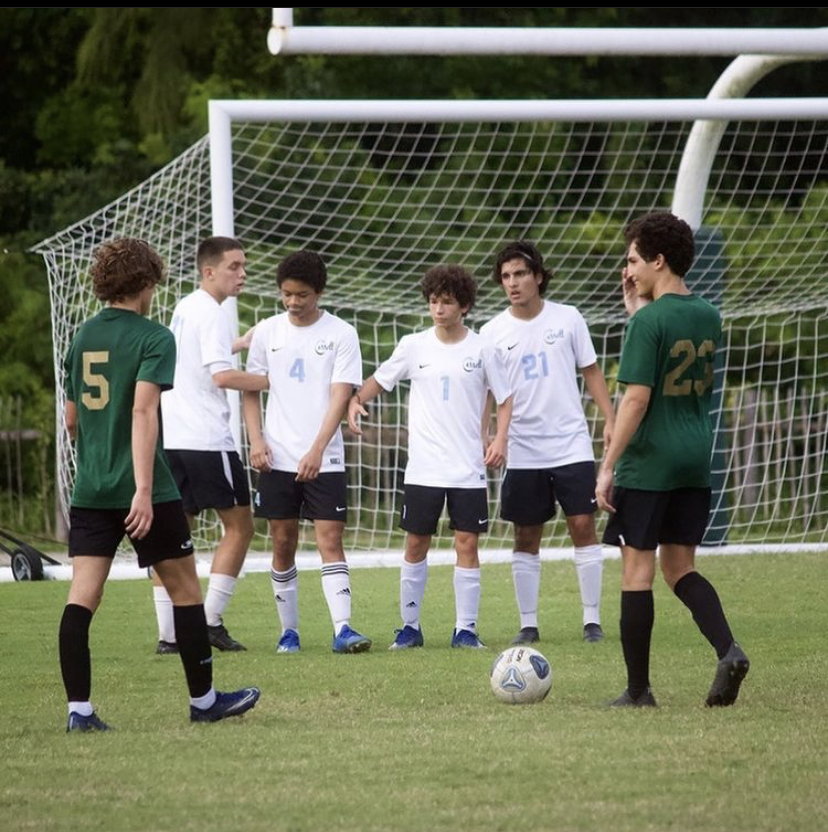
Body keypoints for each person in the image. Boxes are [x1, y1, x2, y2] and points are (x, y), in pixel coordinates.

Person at [59, 238, 259, 731]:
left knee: (82, 596)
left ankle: (79, 712)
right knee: (186, 590)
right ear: (145, 283)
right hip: (145, 490)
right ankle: (204, 701)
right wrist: (143, 491)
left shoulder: (82, 337)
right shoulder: (153, 337)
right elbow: (144, 410)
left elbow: (70, 421)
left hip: (90, 489)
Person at [596, 211, 750, 708]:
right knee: (680, 568)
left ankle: (638, 691)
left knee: (636, 573)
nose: (628, 270)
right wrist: (636, 309)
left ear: (659, 260)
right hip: (693, 455)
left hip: (651, 461)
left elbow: (636, 400)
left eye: (634, 260)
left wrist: (608, 464)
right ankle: (728, 649)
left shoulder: (649, 321)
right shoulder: (707, 313)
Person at [348, 265, 512, 650]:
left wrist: (499, 439)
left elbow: (505, 399)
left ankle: (465, 630)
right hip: (422, 468)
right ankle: (410, 628)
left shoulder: (483, 348)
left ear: (465, 306)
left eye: (447, 302)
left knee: (467, 544)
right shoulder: (413, 345)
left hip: (468, 468)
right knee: (415, 544)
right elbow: (380, 379)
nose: (438, 309)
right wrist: (356, 400)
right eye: (434, 301)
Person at [480, 241, 615, 645]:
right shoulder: (492, 332)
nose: (513, 283)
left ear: (538, 276)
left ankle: (592, 620)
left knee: (582, 525)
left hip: (570, 443)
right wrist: (485, 433)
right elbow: (489, 391)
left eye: (520, 274)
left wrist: (610, 419)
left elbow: (590, 371)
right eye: (506, 276)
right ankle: (528, 624)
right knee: (526, 535)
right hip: (521, 448)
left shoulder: (568, 318)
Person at [243, 250, 371, 654]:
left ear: (319, 292)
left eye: (301, 295)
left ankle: (343, 629)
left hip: (324, 457)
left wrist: (318, 448)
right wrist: (257, 441)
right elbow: (250, 389)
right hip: (276, 457)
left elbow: (339, 396)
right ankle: (289, 633)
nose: (293, 302)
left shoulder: (341, 333)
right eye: (286, 294)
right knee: (282, 542)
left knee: (330, 539)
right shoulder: (266, 331)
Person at [154, 236, 268, 654]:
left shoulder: (185, 306)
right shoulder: (214, 312)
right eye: (234, 266)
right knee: (241, 525)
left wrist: (238, 344)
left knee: (174, 533)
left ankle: (169, 636)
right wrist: (275, 380)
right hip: (207, 439)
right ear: (209, 271)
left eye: (243, 265)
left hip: (175, 435)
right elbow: (221, 377)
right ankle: (209, 621)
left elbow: (197, 360)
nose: (242, 273)